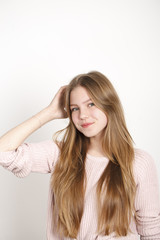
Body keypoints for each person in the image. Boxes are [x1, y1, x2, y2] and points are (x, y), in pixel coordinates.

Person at [0, 71, 160, 240]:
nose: (82, 115)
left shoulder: (138, 163)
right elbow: (4, 152)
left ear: (109, 104)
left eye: (91, 104)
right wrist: (49, 113)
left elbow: (151, 230)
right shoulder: (61, 154)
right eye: (74, 108)